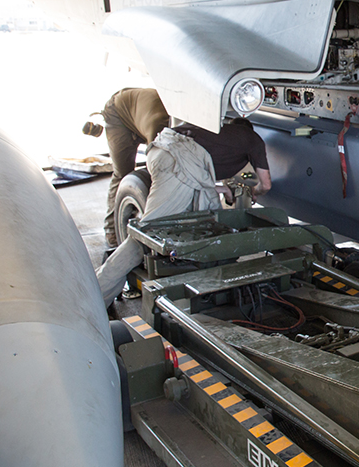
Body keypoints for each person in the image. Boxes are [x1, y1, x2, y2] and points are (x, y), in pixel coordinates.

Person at [95, 117, 271, 306]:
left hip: (162, 150)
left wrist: (222, 190)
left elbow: (198, 176)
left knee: (210, 223)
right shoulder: (253, 139)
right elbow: (266, 184)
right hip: (177, 162)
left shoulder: (212, 131)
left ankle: (207, 288)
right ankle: (95, 295)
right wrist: (254, 192)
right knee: (145, 239)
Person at [88, 88, 171, 247]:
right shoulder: (159, 132)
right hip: (118, 113)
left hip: (142, 112)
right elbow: (158, 173)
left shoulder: (179, 127)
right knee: (123, 173)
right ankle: (112, 229)